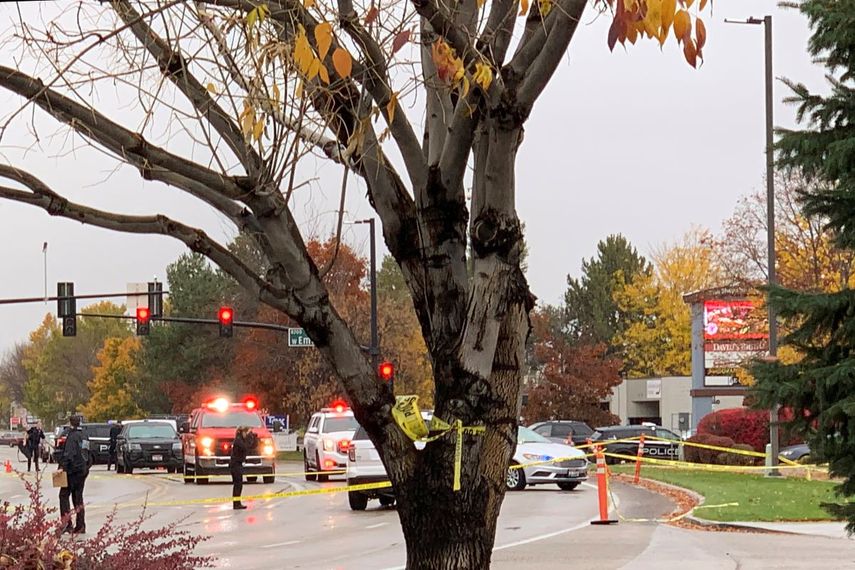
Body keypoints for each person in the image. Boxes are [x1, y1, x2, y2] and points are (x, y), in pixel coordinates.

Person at [58, 415, 89, 534]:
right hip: (82, 470)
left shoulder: (72, 436)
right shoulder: (84, 435)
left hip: (72, 471)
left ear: (70, 423)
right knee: (78, 497)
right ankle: (81, 525)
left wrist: (62, 467)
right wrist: (86, 466)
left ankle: (66, 523)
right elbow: (87, 452)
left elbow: (69, 454)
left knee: (63, 495)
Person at [229, 426, 257, 510]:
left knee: (239, 484)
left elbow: (251, 446)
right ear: (242, 432)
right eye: (246, 433)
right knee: (237, 484)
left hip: (239, 464)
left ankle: (237, 503)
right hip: (235, 464)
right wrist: (248, 437)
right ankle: (236, 503)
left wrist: (254, 438)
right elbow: (244, 447)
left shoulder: (241, 440)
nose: (246, 434)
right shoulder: (238, 440)